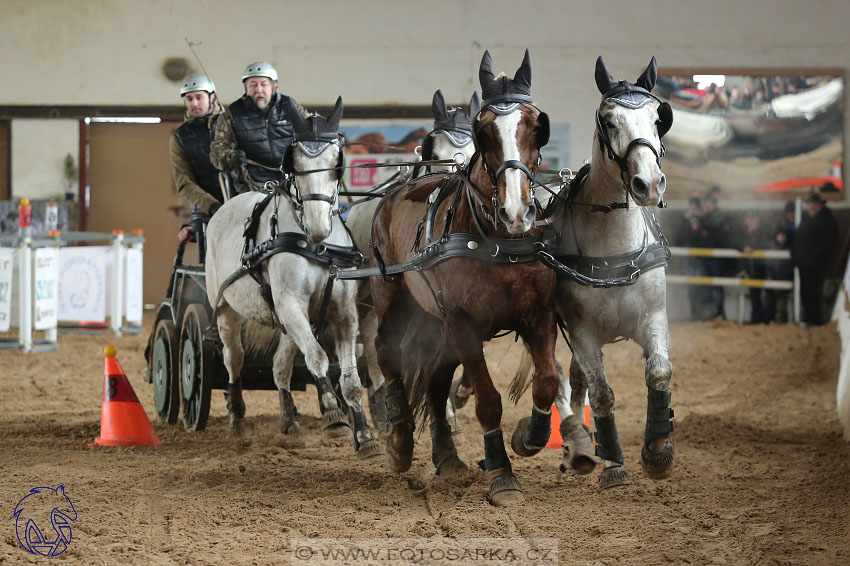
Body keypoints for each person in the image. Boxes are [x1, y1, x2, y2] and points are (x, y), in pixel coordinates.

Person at [210, 61, 309, 191]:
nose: (259, 90)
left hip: (294, 183)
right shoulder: (231, 114)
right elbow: (217, 152)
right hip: (251, 186)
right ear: (246, 88)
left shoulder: (291, 107)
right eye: (253, 85)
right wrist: (230, 158)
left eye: (264, 84)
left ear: (274, 87)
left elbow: (313, 132)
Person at [169, 74, 223, 243]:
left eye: (199, 97)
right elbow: (184, 182)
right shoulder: (180, 137)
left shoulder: (231, 125)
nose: (194, 103)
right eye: (189, 99)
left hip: (243, 202)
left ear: (212, 97)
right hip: (207, 211)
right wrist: (212, 207)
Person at [791, 191, 838, 325]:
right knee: (805, 292)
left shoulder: (827, 220)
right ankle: (808, 318)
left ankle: (816, 320)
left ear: (821, 206)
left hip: (816, 263)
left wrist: (815, 254)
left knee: (814, 292)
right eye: (811, 204)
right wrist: (796, 256)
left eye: (815, 204)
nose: (812, 206)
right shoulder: (805, 220)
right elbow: (798, 239)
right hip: (804, 262)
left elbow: (829, 242)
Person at [699, 192, 731, 319]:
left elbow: (716, 234)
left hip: (715, 258)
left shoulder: (718, 217)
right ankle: (715, 312)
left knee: (716, 285)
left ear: (711, 204)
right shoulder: (711, 217)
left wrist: (706, 230)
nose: (704, 205)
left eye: (706, 203)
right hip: (709, 257)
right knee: (710, 285)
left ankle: (718, 312)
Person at [738, 211, 772, 323]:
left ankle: (766, 319)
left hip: (763, 268)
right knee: (754, 295)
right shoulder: (744, 234)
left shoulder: (763, 232)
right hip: (751, 269)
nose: (751, 222)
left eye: (754, 220)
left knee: (767, 295)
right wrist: (743, 247)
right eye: (749, 219)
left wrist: (753, 248)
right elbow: (735, 242)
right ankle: (756, 319)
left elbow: (766, 245)